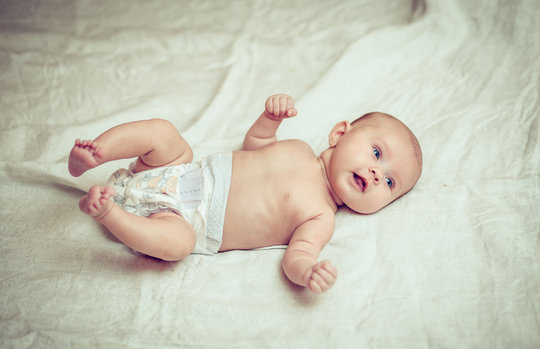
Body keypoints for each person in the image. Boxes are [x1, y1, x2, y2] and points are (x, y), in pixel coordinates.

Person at [68, 94, 422, 293]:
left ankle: (109, 213)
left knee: (176, 246)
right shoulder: (298, 147)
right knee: (164, 133)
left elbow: (296, 255)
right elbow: (256, 145)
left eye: (390, 184)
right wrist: (270, 118)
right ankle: (95, 152)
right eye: (377, 154)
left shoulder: (321, 216)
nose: (378, 174)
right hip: (183, 170)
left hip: (185, 219)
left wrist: (308, 271)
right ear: (339, 134)